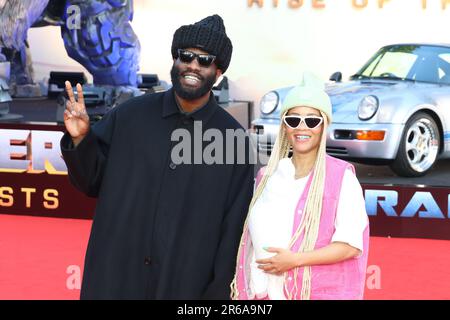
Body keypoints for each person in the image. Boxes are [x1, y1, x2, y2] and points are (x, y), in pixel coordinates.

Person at [60, 14, 254, 299]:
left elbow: (233, 230)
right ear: (174, 61)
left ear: (218, 72)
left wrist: (218, 293)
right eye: (186, 56)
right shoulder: (129, 116)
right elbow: (90, 181)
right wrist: (80, 139)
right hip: (116, 278)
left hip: (185, 285)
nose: (193, 65)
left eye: (204, 60)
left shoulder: (231, 140)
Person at [231, 72, 369, 300]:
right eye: (293, 120)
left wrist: (294, 259)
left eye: (312, 120)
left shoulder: (341, 176)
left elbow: (350, 246)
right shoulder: (267, 175)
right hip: (261, 294)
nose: (302, 127)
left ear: (324, 125)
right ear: (284, 126)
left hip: (312, 294)